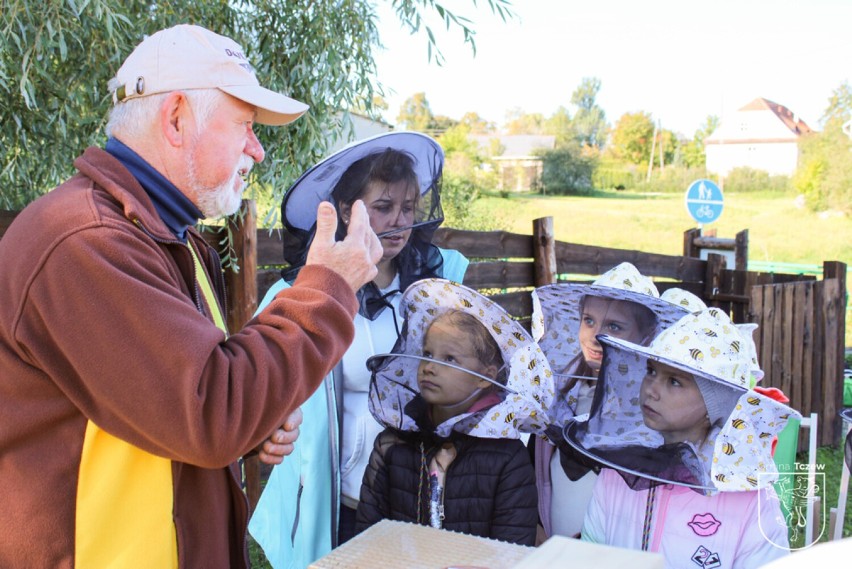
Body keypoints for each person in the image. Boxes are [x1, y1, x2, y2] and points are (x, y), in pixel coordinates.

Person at [0, 24, 382, 569]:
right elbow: (210, 411)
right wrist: (329, 288)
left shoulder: (165, 237)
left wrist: (252, 423)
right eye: (246, 126)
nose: (259, 151)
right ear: (176, 118)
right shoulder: (86, 244)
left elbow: (174, 399)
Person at [248, 132, 468, 567]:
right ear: (349, 211)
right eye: (383, 207)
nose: (398, 221)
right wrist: (269, 428)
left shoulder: (440, 286)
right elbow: (259, 384)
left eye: (408, 208)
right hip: (336, 498)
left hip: (418, 494)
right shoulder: (298, 293)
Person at [569, 308, 799, 568]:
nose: (651, 390)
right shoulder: (618, 472)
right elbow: (589, 557)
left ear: (714, 405)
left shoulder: (751, 501)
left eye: (675, 381)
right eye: (652, 371)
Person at [355, 279, 554, 545]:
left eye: (449, 359)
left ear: (485, 377)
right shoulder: (391, 444)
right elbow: (369, 535)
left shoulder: (507, 456)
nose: (430, 367)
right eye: (427, 354)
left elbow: (511, 549)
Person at [530, 262, 690, 540]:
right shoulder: (559, 393)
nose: (595, 336)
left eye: (614, 326)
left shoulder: (655, 409)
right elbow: (538, 476)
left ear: (647, 335)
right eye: (588, 320)